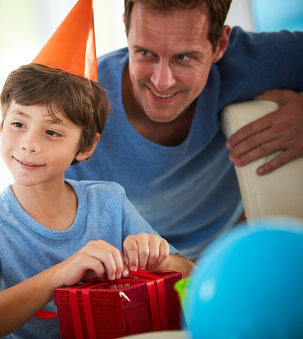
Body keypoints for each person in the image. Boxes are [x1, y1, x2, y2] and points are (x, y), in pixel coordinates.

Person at [0, 62, 194, 338]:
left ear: (85, 146)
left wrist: (158, 258)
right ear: (1, 125)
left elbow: (191, 275)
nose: (29, 143)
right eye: (18, 124)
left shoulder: (109, 201)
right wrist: (61, 274)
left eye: (52, 132)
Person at [65, 0, 303, 260]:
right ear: (126, 28)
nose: (162, 82)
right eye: (145, 52)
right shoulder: (74, 101)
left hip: (234, 247)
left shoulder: (248, 61)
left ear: (220, 45)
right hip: (127, 268)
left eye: (184, 57)